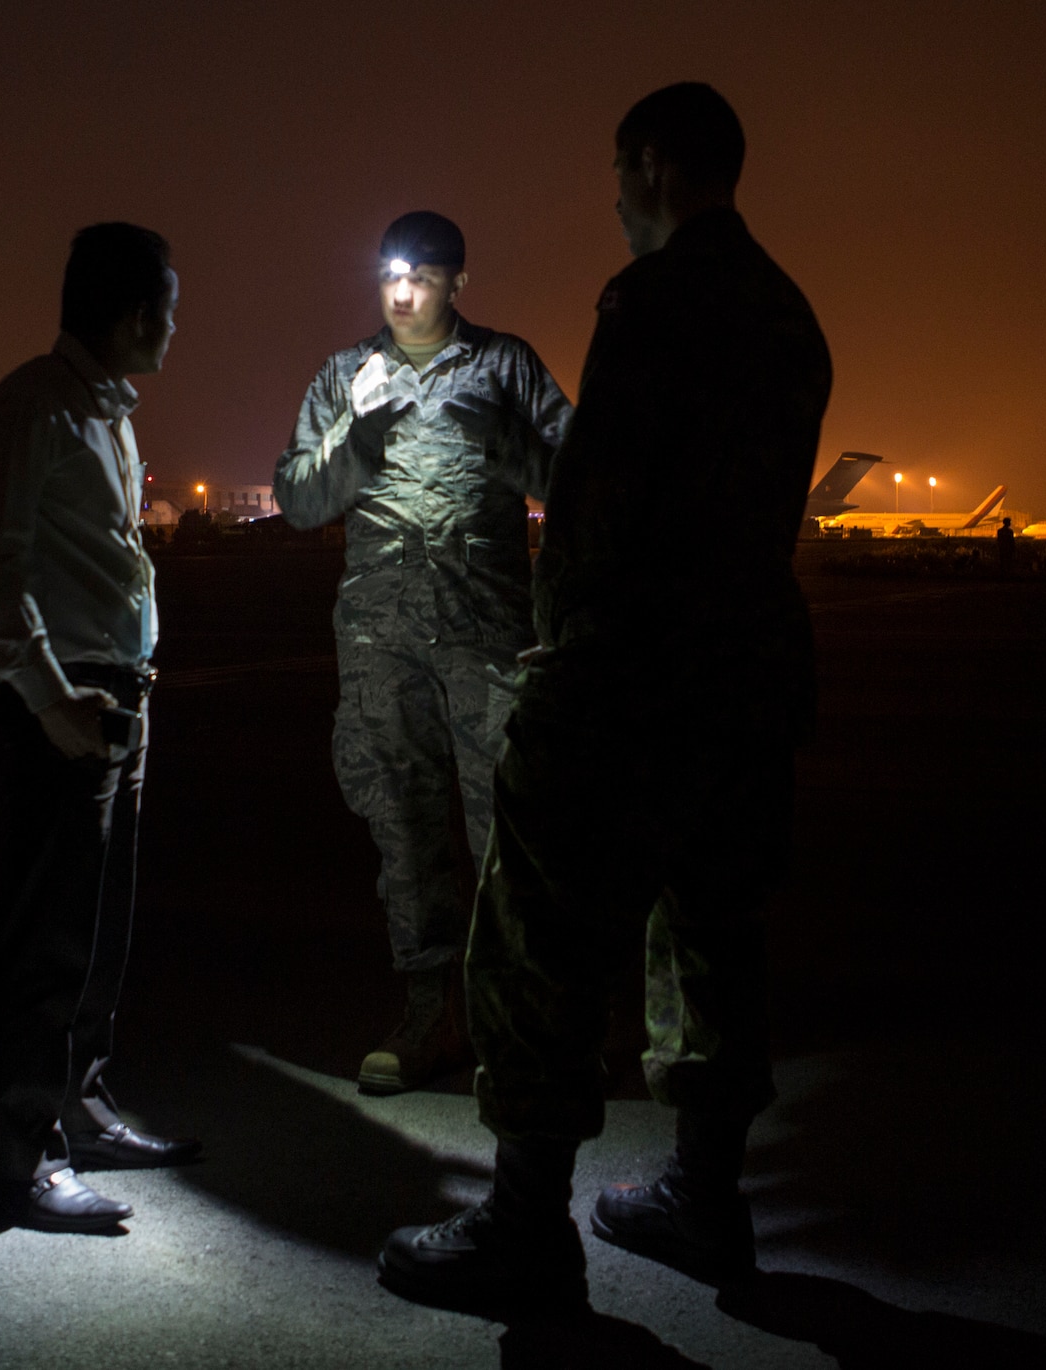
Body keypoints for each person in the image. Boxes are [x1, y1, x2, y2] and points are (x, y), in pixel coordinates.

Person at [377, 83, 832, 1312]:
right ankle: (704, 1193)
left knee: (537, 939)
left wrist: (556, 655)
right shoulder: (792, 318)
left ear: (649, 167)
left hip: (631, 673)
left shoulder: (651, 302)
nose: (617, 200)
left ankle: (527, 1220)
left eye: (619, 175)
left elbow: (591, 508)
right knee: (713, 938)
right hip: (745, 675)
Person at [275, 211, 573, 1095]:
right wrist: (355, 438)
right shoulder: (344, 376)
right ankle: (425, 1013)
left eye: (424, 279)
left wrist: (509, 445)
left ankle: (510, 1025)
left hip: (487, 637)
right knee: (403, 829)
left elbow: (581, 475)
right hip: (380, 642)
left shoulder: (505, 365)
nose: (403, 296)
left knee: (505, 835)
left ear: (458, 285)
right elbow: (296, 497)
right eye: (390, 279)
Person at [0, 222, 201, 1233]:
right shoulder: (31, 407)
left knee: (101, 929)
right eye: (167, 308)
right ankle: (19, 1159)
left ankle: (80, 1104)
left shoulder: (104, 411)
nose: (174, 327)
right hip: (70, 697)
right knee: (49, 937)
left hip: (116, 693)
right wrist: (53, 701)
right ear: (132, 311)